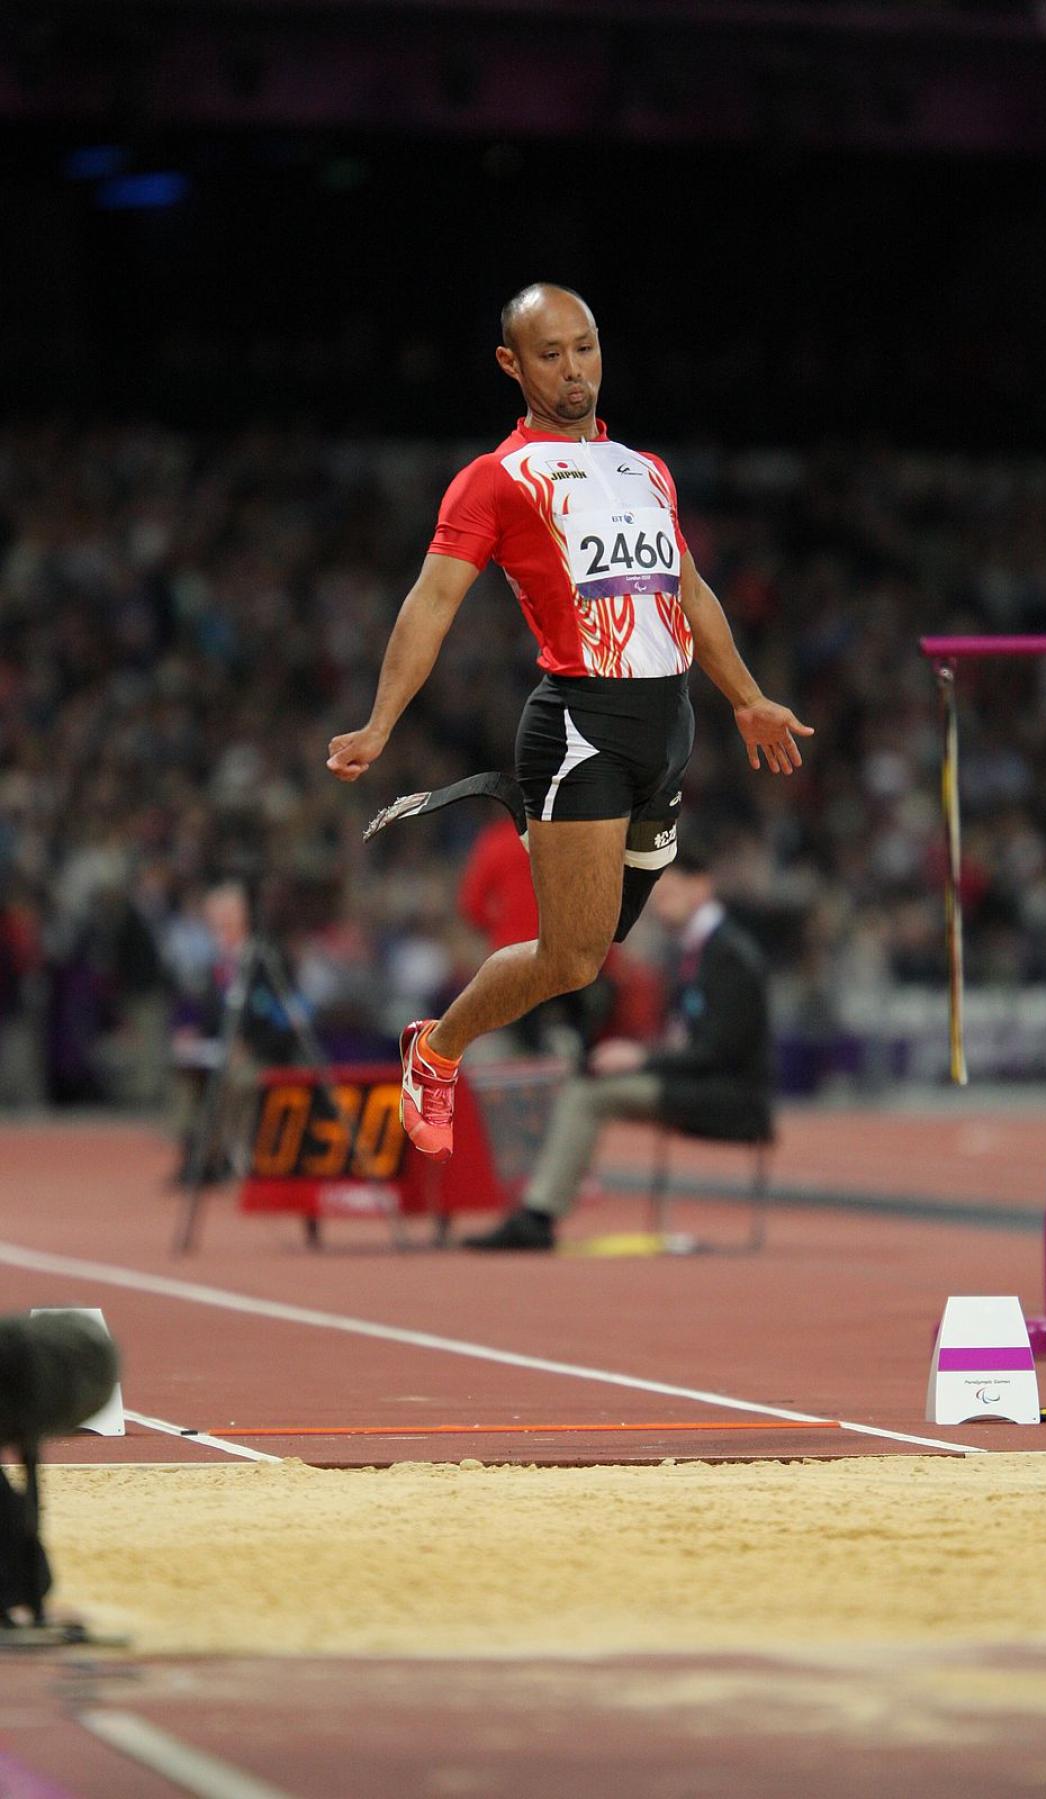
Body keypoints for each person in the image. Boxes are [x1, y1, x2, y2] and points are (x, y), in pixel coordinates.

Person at [327, 282, 810, 1160]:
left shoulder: (644, 468)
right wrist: (379, 723)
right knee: (568, 958)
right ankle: (434, 1052)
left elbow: (689, 593)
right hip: (580, 724)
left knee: (592, 949)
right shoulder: (495, 479)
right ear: (512, 364)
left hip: (667, 730)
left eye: (584, 346)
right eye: (550, 354)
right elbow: (430, 603)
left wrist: (746, 696)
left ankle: (456, 1031)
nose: (573, 368)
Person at [463, 836, 771, 1249]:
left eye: (668, 894)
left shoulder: (729, 954)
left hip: (729, 1095)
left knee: (588, 1092)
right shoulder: (697, 948)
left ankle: (538, 1214)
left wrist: (641, 1059)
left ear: (701, 887)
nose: (658, 906)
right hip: (698, 1080)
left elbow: (719, 1051)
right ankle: (538, 1207)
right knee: (586, 1080)